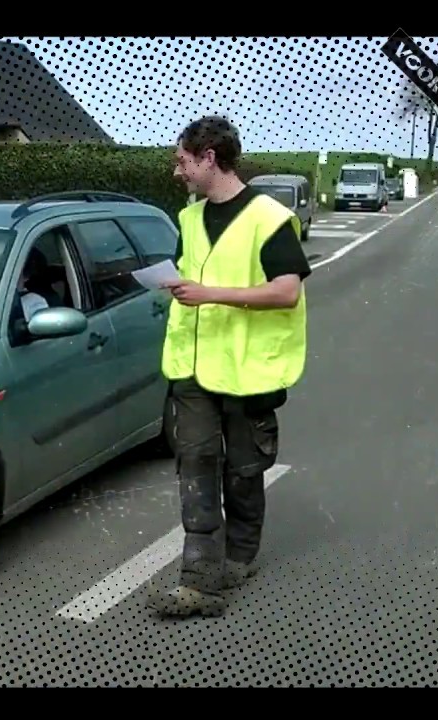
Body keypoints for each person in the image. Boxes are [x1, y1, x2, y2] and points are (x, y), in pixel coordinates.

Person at [147, 115, 312, 618]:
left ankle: (241, 555)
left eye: (183, 161)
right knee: (195, 466)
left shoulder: (268, 218)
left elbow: (287, 291)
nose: (178, 172)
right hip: (193, 370)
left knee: (243, 473)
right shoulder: (190, 219)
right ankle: (199, 580)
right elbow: (189, 279)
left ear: (209, 158)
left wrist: (209, 295)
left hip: (246, 372)